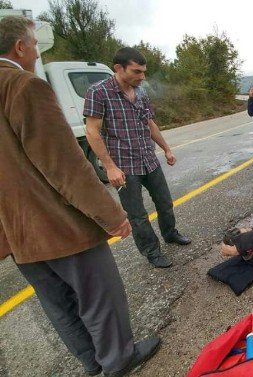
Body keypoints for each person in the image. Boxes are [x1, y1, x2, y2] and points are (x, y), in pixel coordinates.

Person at [0, 16, 159, 376]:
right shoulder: (25, 87)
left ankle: (92, 361)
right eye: (34, 45)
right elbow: (65, 166)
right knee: (100, 298)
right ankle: (118, 359)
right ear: (20, 47)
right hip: (58, 227)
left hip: (16, 233)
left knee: (58, 305)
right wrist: (111, 215)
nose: (36, 53)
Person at [84, 47, 191, 268]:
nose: (142, 77)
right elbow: (92, 131)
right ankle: (152, 252)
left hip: (148, 160)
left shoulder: (140, 92)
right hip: (124, 167)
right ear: (118, 68)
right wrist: (109, 167)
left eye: (143, 72)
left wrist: (166, 148)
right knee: (138, 215)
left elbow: (149, 123)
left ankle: (170, 234)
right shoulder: (99, 92)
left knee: (165, 203)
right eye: (136, 71)